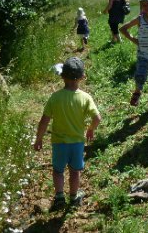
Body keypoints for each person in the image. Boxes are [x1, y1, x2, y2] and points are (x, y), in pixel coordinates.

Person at [33, 57, 101, 210]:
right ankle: (74, 197)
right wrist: (90, 129)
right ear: (83, 77)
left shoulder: (55, 97)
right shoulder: (85, 98)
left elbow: (43, 121)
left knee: (58, 171)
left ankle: (59, 197)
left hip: (59, 143)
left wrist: (39, 139)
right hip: (77, 143)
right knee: (75, 171)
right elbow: (97, 118)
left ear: (62, 76)